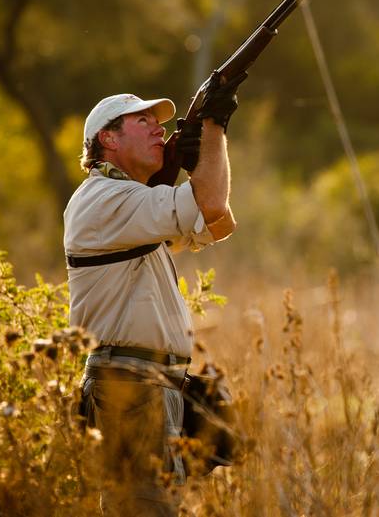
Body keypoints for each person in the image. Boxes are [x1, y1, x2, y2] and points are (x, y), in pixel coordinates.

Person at [65, 77, 241, 516]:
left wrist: (194, 158)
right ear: (108, 138)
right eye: (142, 121)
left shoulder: (135, 203)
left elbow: (220, 225)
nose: (157, 129)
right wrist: (214, 128)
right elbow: (212, 206)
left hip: (153, 383)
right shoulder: (105, 198)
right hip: (129, 384)